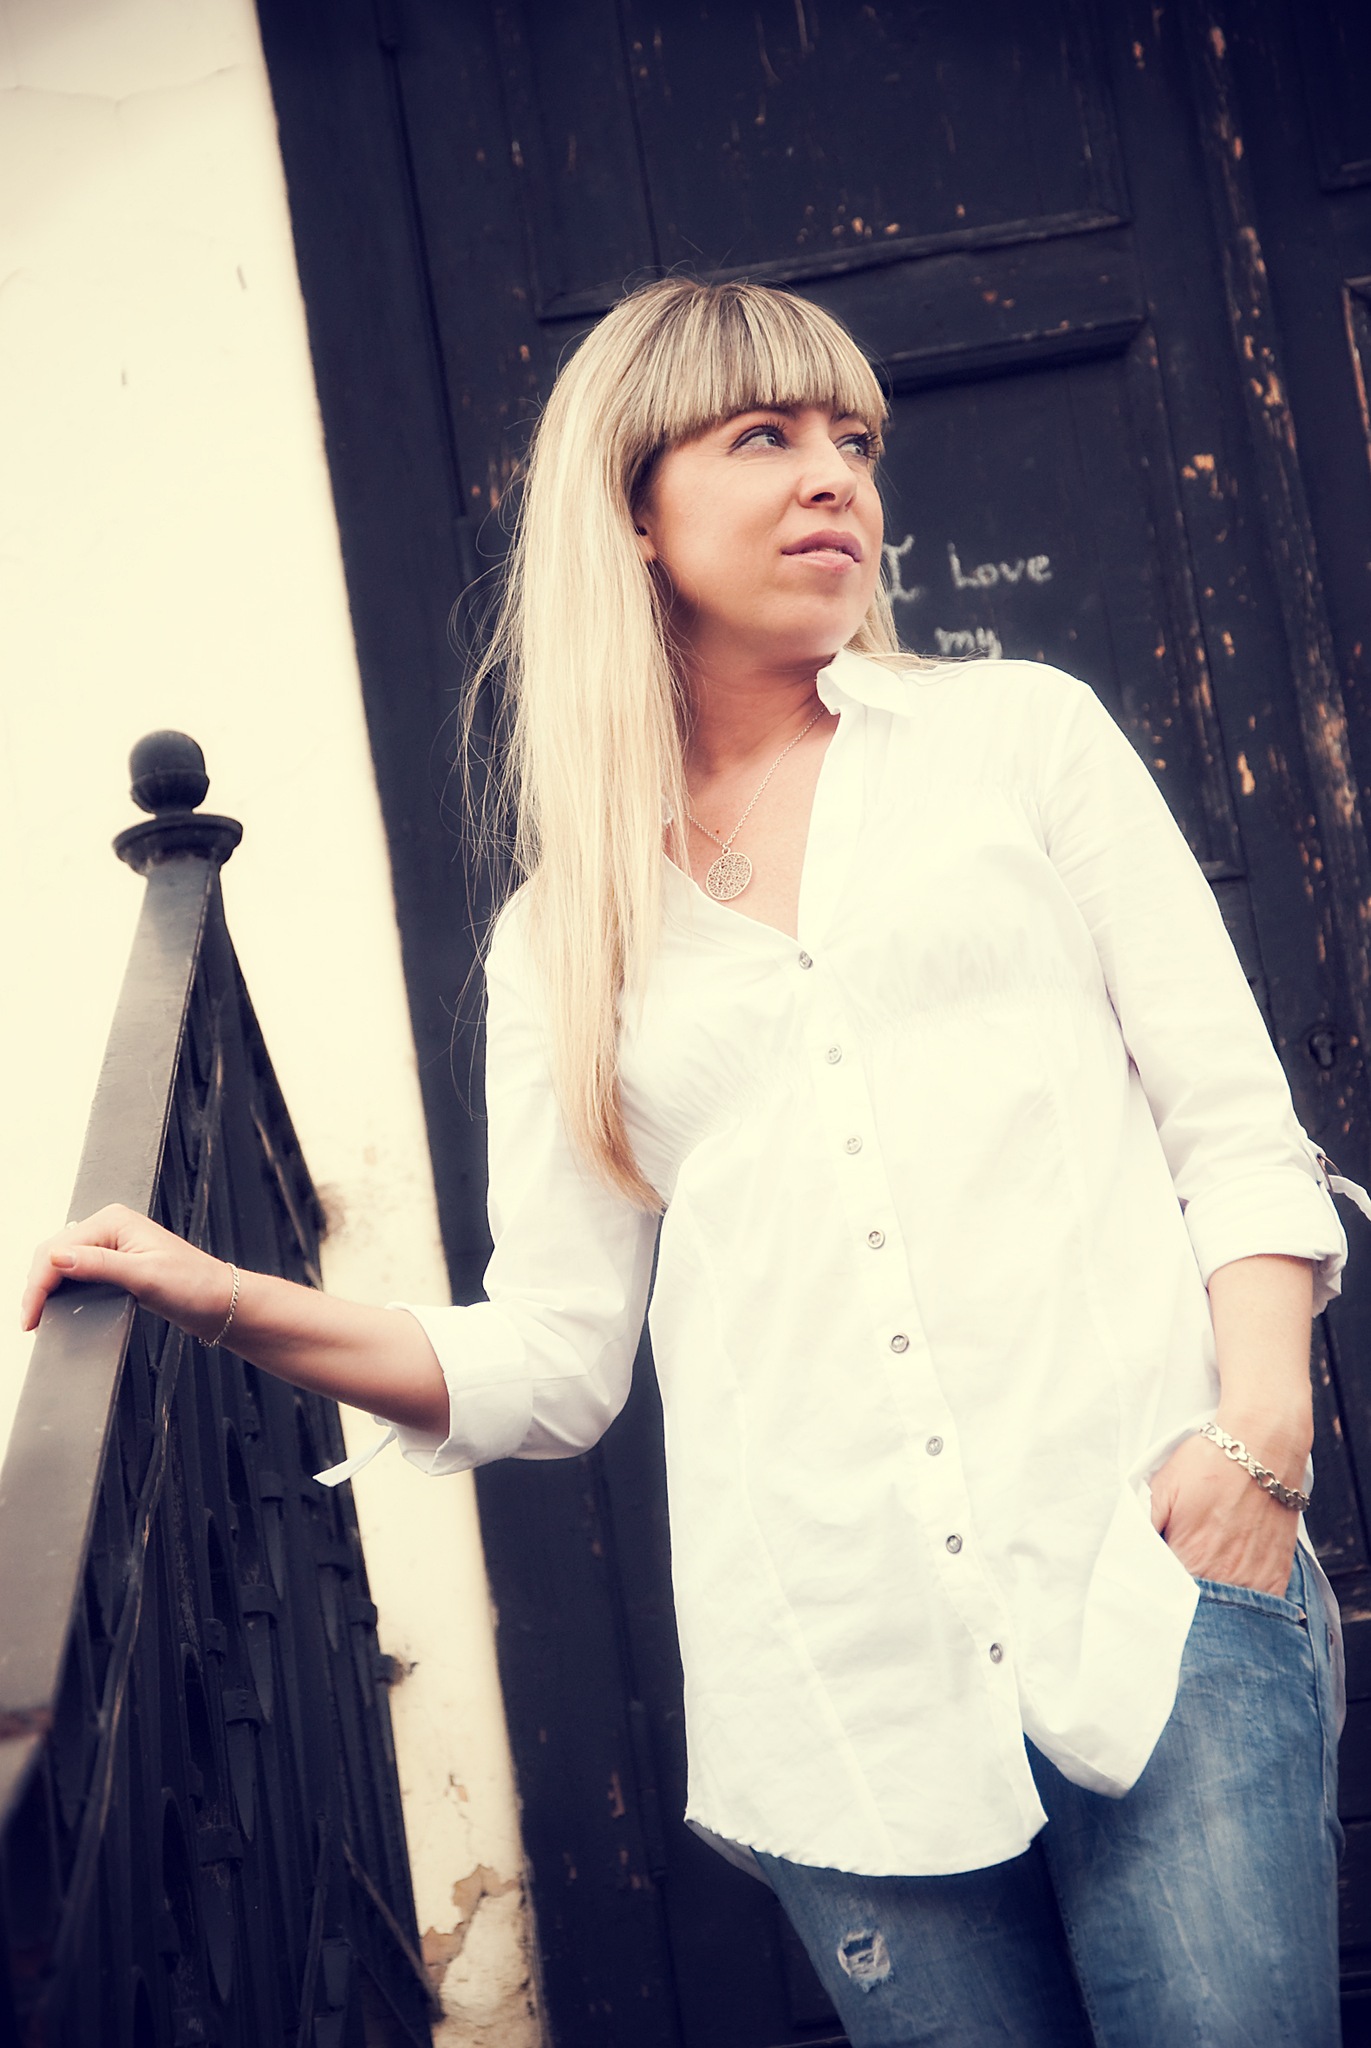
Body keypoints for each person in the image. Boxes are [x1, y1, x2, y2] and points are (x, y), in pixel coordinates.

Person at [23, 279, 1359, 2046]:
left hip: (1158, 1589)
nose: (834, 478)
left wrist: (1259, 1441)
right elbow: (555, 1355)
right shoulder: (564, 932)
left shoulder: (1019, 742)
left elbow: (1234, 1128)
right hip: (845, 1699)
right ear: (635, 514)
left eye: (853, 440)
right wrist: (222, 1296)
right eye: (764, 438)